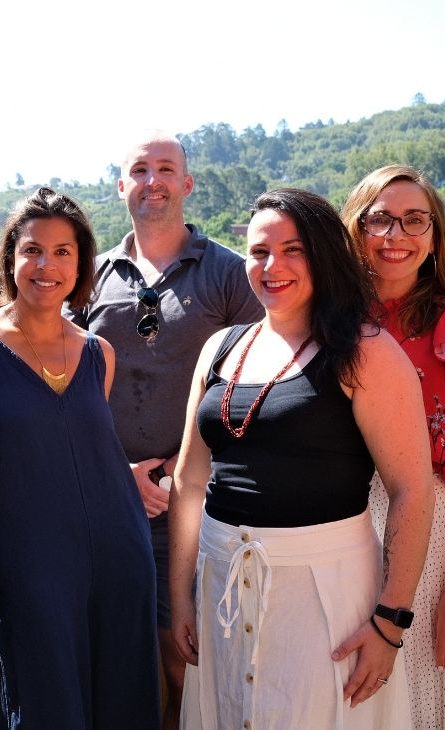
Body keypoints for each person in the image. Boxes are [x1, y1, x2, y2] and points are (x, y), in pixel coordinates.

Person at [169, 188, 434, 729]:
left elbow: (412, 489)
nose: (273, 266)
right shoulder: (221, 347)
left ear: (324, 256)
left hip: (326, 596)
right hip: (221, 584)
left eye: (294, 250)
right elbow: (189, 481)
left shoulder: (366, 351)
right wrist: (180, 595)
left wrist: (389, 624)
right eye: (259, 251)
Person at [0, 188, 159, 728]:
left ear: (81, 263)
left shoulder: (97, 352)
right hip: (27, 562)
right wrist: (6, 560)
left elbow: (88, 460)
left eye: (63, 252)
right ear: (10, 257)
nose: (47, 265)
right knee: (42, 710)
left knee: (122, 708)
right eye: (33, 250)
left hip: (119, 559)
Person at [67, 130, 263, 728]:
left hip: (197, 505)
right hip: (105, 499)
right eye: (140, 170)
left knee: (186, 661)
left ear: (187, 183)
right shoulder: (89, 278)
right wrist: (115, 474)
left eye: (166, 169)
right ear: (121, 185)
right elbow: (67, 384)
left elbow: (259, 380)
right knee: (120, 664)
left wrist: (186, 474)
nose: (153, 181)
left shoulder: (230, 274)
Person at [342, 164, 445, 729]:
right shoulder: (329, 322)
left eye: (415, 221)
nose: (396, 236)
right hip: (335, 524)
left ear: (435, 234)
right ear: (355, 228)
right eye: (380, 220)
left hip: (432, 532)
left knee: (416, 697)